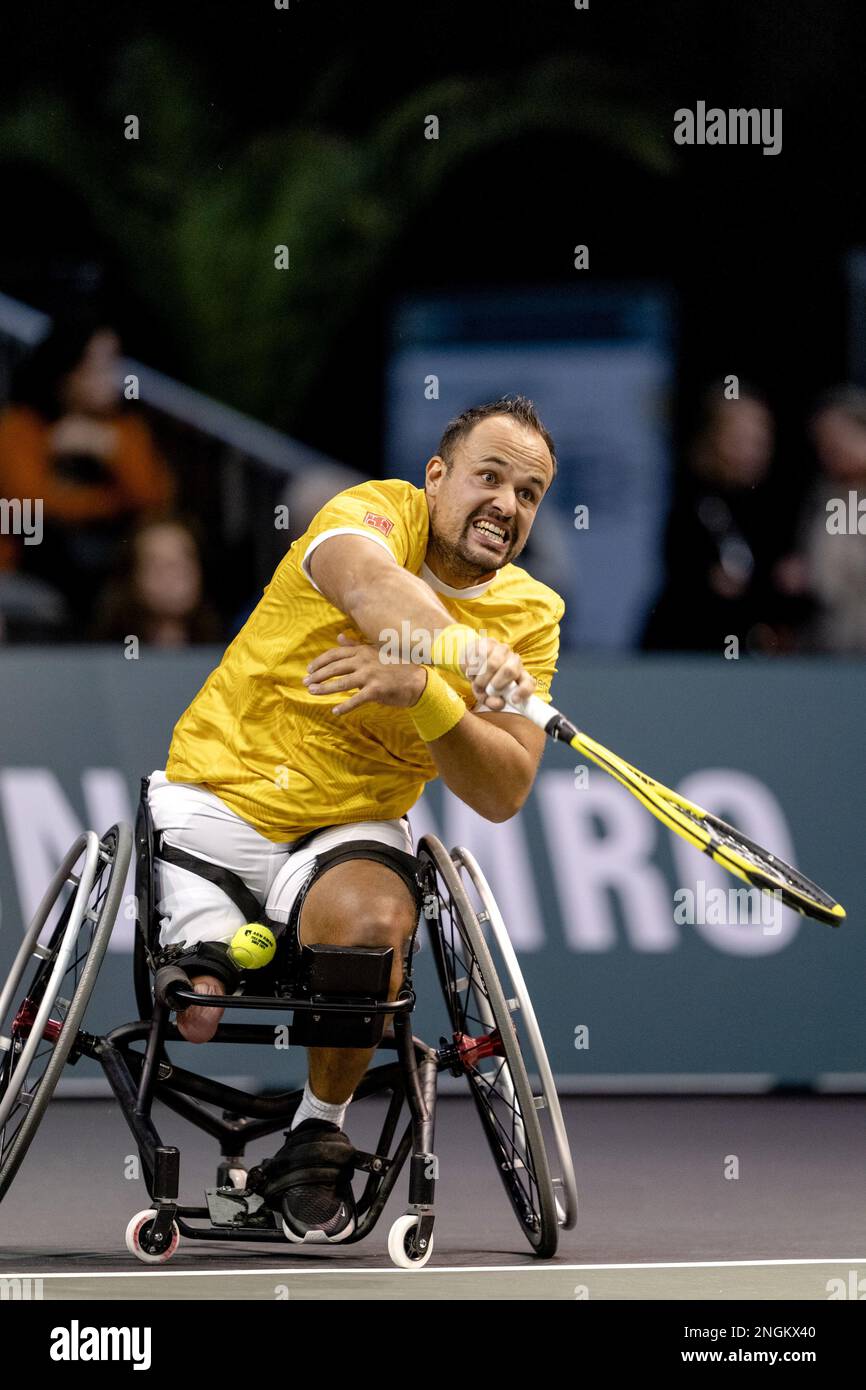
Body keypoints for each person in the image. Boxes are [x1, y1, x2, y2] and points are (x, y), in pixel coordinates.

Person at [146, 394, 564, 1243]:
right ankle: (207, 970)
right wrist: (454, 649)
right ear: (437, 477)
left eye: (529, 494)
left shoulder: (531, 617)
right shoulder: (367, 515)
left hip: (351, 826)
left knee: (373, 925)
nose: (506, 505)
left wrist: (424, 694)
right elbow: (374, 591)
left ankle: (317, 1130)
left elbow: (504, 788)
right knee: (198, 1007)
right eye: (489, 477)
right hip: (219, 793)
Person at [0, 313, 175, 631]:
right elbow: (30, 507)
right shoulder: (21, 427)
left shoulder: (123, 430)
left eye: (115, 364)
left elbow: (154, 499)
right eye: (98, 365)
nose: (112, 377)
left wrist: (105, 445)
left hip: (112, 572)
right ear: (66, 370)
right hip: (31, 567)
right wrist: (110, 502)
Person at [642, 382, 785, 652]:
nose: (752, 451)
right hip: (689, 651)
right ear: (713, 437)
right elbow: (687, 575)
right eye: (739, 439)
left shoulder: (773, 509)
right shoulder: (692, 502)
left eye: (760, 440)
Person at [775, 386, 866, 653]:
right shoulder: (822, 496)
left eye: (840, 438)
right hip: (830, 645)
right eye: (823, 443)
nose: (832, 451)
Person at [90, 518, 222, 646]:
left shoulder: (230, 649)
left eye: (183, 562)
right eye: (156, 564)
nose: (173, 574)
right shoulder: (106, 654)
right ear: (132, 575)